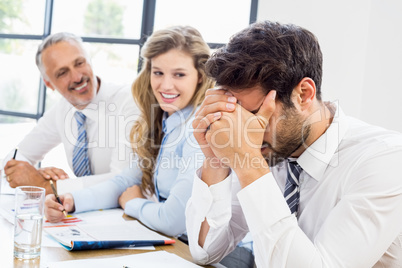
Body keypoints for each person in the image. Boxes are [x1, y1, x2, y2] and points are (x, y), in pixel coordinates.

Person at [186, 20, 402, 267]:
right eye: (235, 118)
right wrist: (215, 159)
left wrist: (250, 166)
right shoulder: (271, 150)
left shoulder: (386, 160)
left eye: (254, 115)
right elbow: (205, 252)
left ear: (304, 94)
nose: (244, 133)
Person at [44, 26, 215, 237]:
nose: (165, 85)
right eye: (158, 73)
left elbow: (173, 221)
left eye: (179, 74)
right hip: (179, 247)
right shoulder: (164, 119)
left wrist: (134, 203)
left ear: (200, 76)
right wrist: (70, 200)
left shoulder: (199, 129)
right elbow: (125, 180)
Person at [2, 32, 139, 195]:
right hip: (86, 213)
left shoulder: (130, 102)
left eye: (79, 63)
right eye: (62, 73)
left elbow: (124, 180)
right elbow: (18, 156)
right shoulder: (62, 110)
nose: (77, 77)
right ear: (49, 84)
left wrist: (50, 187)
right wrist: (35, 175)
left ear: (89, 61)